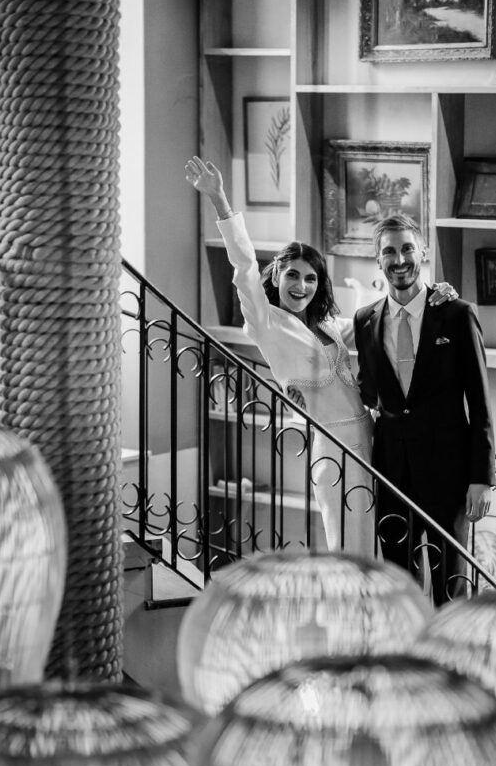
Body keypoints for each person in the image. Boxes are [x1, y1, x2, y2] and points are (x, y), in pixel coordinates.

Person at [185, 157, 456, 556]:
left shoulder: (328, 325)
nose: (301, 285)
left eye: (310, 277)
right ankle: (350, 619)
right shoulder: (267, 323)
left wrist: (432, 295)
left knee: (389, 548)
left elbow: (380, 318)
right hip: (335, 449)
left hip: (373, 438)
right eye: (292, 274)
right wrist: (220, 200)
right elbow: (243, 267)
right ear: (276, 275)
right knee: (351, 549)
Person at [353, 211, 495, 604]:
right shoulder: (365, 320)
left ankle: (452, 660)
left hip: (448, 475)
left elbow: (481, 402)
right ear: (378, 261)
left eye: (407, 249)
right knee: (399, 586)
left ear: (423, 252)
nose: (399, 260)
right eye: (389, 252)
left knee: (451, 586)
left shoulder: (455, 314)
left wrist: (481, 477)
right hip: (392, 473)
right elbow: (367, 390)